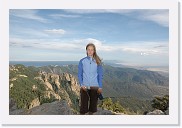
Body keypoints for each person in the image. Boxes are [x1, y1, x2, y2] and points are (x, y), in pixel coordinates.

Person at [78, 43, 103, 115]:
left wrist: (100, 86)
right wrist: (81, 84)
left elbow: (100, 75)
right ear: (86, 51)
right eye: (88, 49)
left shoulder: (98, 62)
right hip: (84, 86)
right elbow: (79, 74)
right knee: (83, 108)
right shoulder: (82, 61)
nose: (90, 51)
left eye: (92, 50)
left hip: (95, 86)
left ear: (94, 51)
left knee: (93, 108)